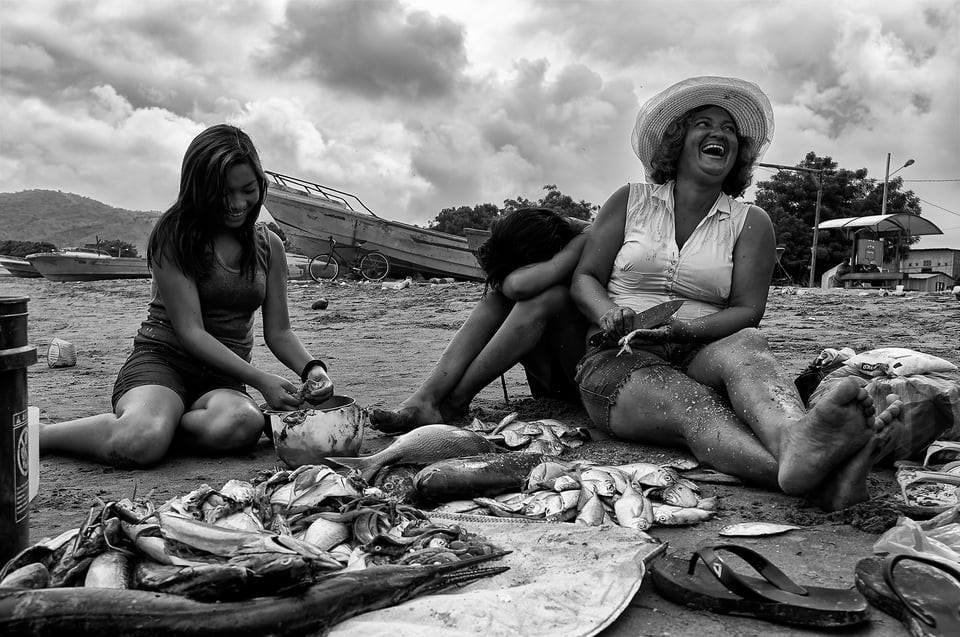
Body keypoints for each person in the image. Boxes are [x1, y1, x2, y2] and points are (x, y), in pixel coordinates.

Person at [571, 76, 903, 511]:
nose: (719, 134)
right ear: (678, 141)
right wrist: (609, 312)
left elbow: (748, 311)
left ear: (738, 153)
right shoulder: (630, 200)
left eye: (729, 129)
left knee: (749, 344)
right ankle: (822, 480)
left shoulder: (751, 221)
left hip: (703, 348)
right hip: (618, 355)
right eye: (704, 124)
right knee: (694, 406)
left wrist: (683, 328)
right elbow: (585, 278)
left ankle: (795, 438)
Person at [40, 124, 334, 468]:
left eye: (248, 189)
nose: (238, 203)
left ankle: (163, 426)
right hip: (163, 363)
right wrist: (260, 380)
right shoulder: (174, 236)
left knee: (244, 423)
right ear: (199, 189)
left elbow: (279, 332)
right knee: (138, 441)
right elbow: (191, 331)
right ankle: (41, 433)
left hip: (221, 379)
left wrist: (312, 368)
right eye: (224, 193)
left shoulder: (269, 246)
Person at [369, 208, 589, 433]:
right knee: (496, 300)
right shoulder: (562, 238)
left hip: (584, 382)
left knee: (549, 298)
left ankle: (454, 402)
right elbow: (512, 286)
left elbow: (518, 286)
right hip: (554, 381)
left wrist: (580, 237)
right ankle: (425, 399)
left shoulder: (585, 241)